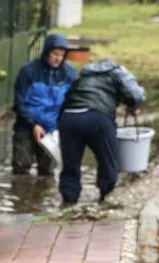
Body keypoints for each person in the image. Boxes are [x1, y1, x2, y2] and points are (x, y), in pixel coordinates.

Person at [57, 58, 145, 205]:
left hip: (69, 117)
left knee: (70, 164)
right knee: (107, 160)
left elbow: (67, 97)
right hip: (98, 118)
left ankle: (68, 202)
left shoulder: (83, 76)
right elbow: (136, 95)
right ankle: (105, 198)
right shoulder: (117, 72)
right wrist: (133, 106)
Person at [12, 32, 79, 177]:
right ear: (46, 52)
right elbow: (19, 103)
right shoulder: (28, 72)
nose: (58, 58)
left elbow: (73, 102)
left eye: (61, 55)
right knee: (20, 171)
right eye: (55, 54)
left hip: (52, 131)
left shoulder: (70, 74)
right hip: (26, 127)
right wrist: (33, 125)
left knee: (47, 173)